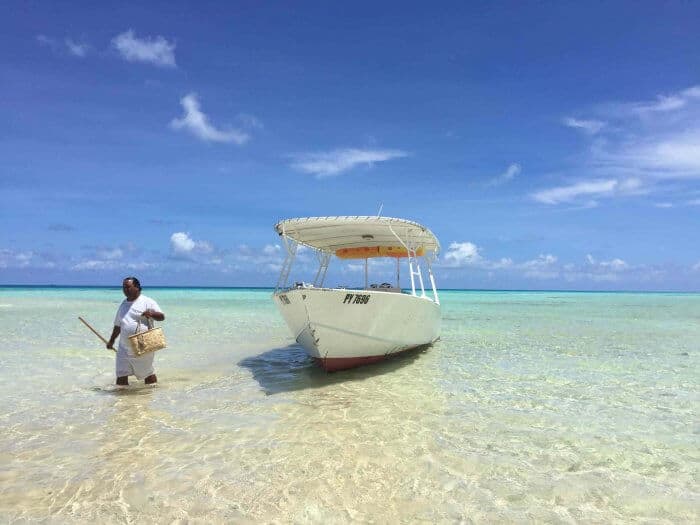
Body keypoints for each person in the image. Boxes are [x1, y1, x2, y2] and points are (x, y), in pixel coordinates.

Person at [107, 277, 165, 386]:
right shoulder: (123, 304)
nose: (125, 289)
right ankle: (122, 400)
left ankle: (151, 394)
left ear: (137, 287)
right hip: (123, 348)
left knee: (147, 374)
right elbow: (118, 325)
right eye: (123, 287)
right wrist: (111, 341)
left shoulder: (147, 301)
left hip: (143, 346)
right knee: (121, 375)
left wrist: (151, 314)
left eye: (128, 287)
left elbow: (162, 316)